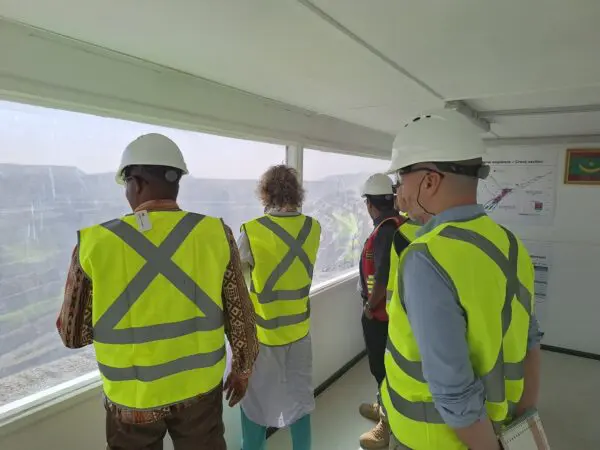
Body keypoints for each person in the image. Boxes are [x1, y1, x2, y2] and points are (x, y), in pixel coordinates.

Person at [56, 133, 259, 450]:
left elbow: (73, 335)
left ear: (135, 182)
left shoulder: (94, 243)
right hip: (200, 391)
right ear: (177, 183)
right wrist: (243, 369)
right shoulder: (216, 234)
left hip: (131, 398)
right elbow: (241, 314)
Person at [381, 110, 543, 450]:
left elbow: (453, 389)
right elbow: (529, 339)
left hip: (433, 440)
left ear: (429, 181)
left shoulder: (426, 257)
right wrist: (524, 418)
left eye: (403, 176)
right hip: (500, 423)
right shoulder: (511, 244)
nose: (401, 190)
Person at [237, 165, 321, 450]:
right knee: (300, 402)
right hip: (300, 334)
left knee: (254, 408)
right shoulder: (313, 228)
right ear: (297, 193)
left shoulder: (252, 231)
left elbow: (235, 285)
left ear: (265, 193)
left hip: (264, 338)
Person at [357, 173, 410, 449]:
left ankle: (385, 427)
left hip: (381, 316)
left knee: (382, 370)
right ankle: (383, 406)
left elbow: (382, 275)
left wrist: (369, 306)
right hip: (397, 315)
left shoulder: (384, 231)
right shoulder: (403, 224)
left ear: (370, 205)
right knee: (389, 369)